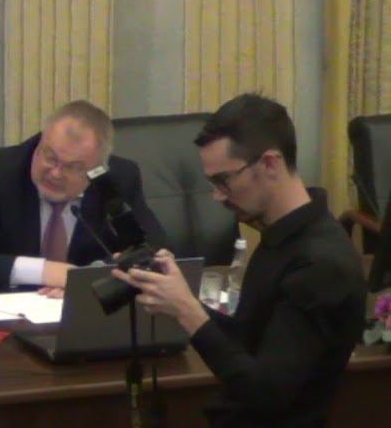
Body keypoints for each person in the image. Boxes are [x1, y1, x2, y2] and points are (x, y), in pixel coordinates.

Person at [114, 93, 366, 427]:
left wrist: (189, 312)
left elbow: (266, 394)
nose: (217, 196)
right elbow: (251, 337)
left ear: (270, 164)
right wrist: (181, 300)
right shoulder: (282, 237)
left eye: (224, 180)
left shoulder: (320, 265)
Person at [0, 100, 168, 293]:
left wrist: (90, 279)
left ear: (96, 170)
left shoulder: (117, 179)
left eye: (73, 167)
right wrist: (46, 272)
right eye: (50, 157)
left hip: (82, 316)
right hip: (5, 312)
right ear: (40, 142)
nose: (56, 173)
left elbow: (154, 250)